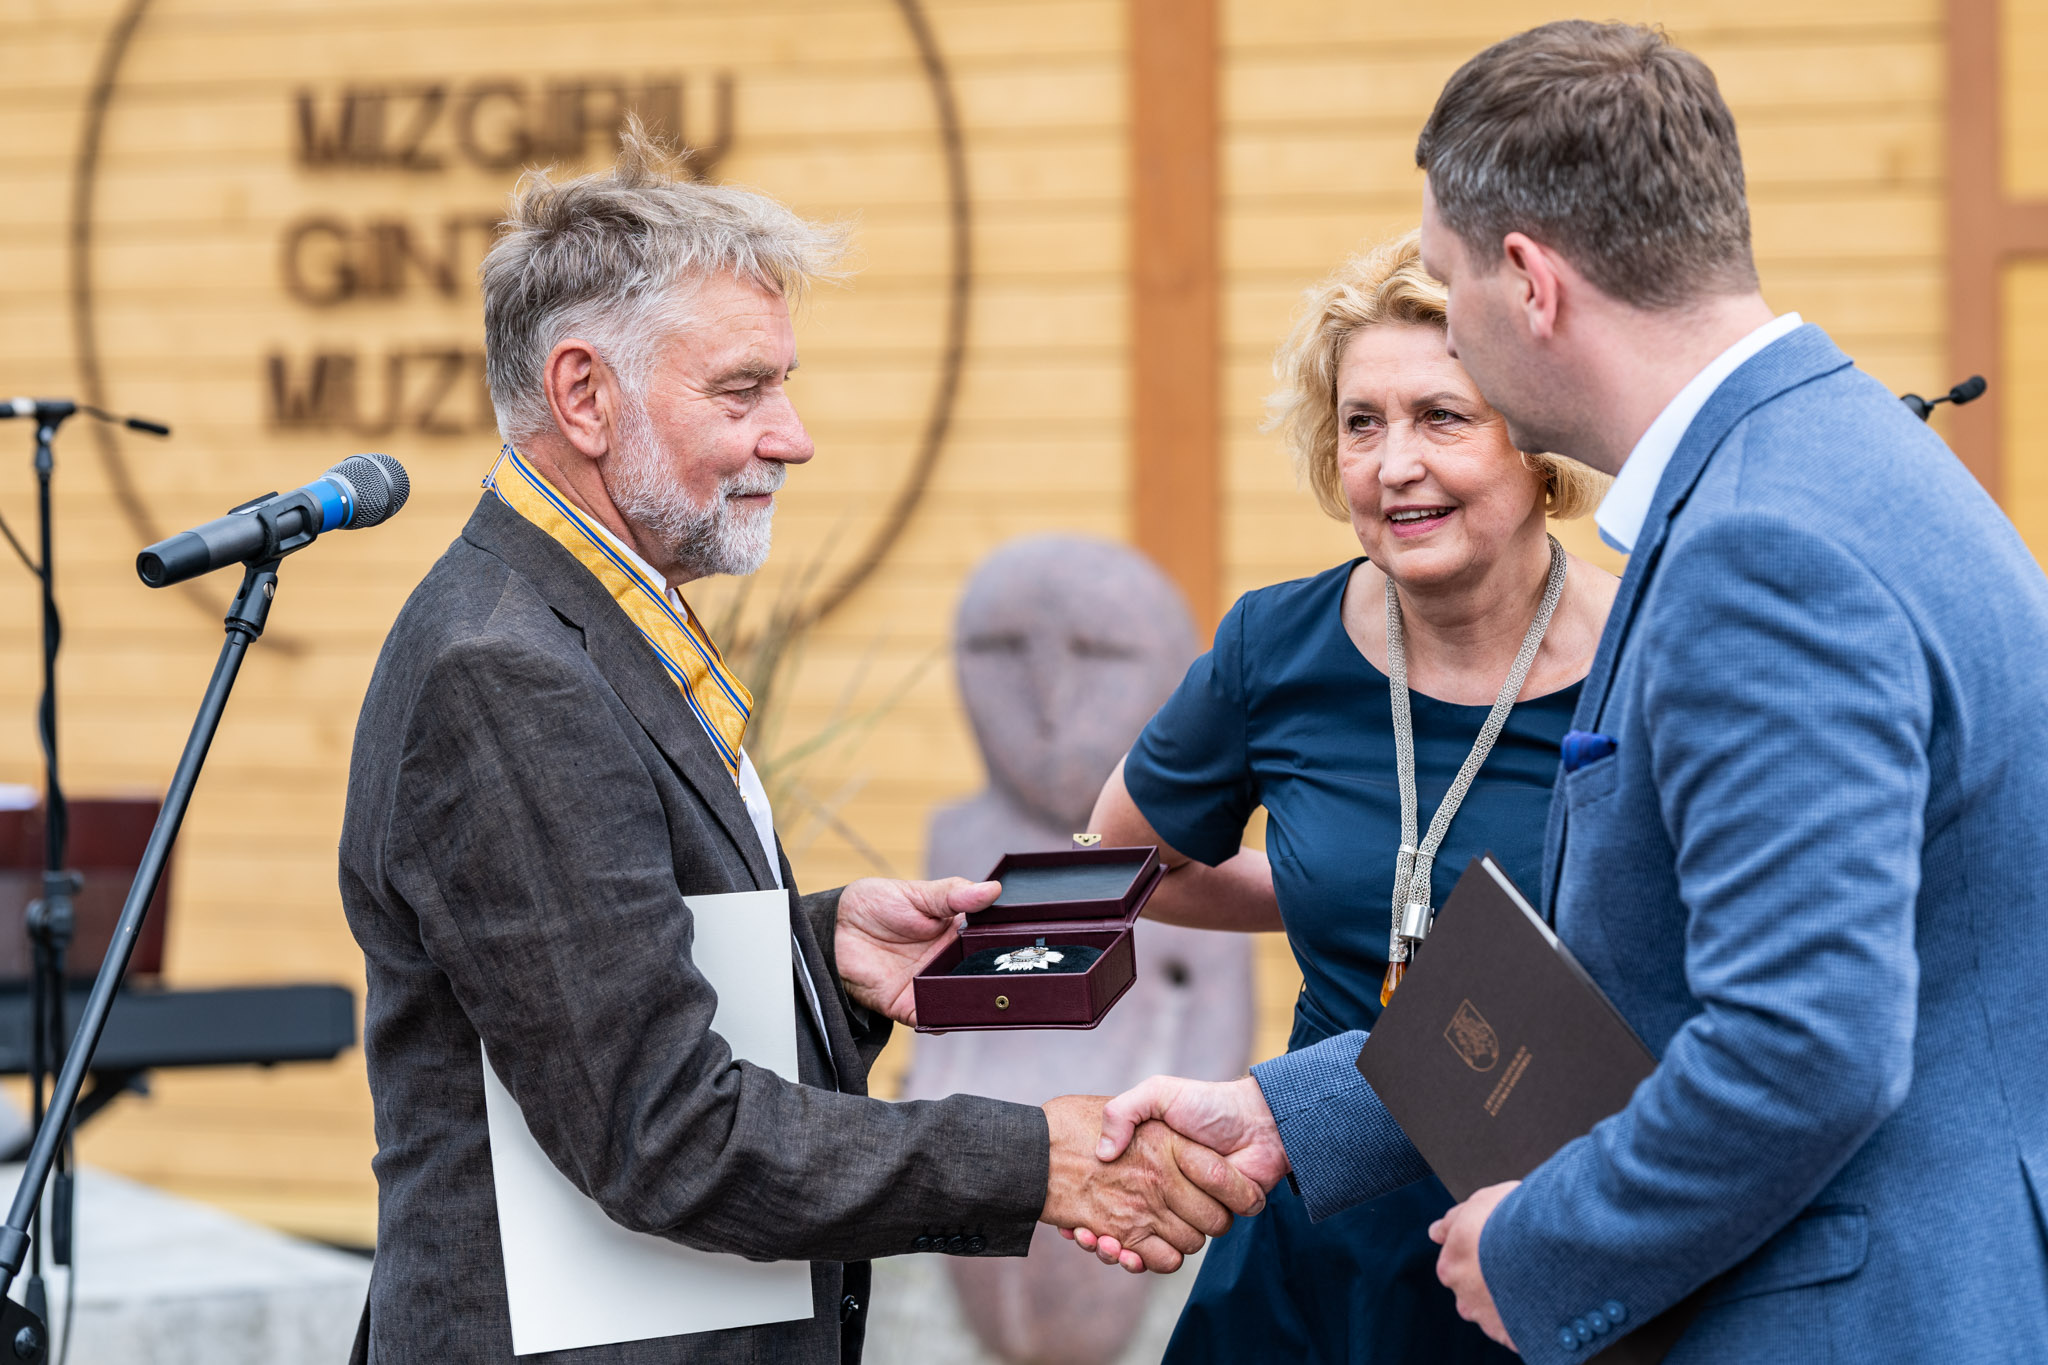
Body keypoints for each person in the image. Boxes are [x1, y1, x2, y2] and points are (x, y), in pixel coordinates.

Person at [1085, 20, 2048, 1365]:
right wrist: (1289, 1113)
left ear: (1529, 283)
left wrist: (1543, 1244)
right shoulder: (1834, 456)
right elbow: (1640, 967)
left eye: (1449, 286)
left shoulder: (1758, 548)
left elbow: (1802, 1049)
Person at [336, 127, 1262, 1365]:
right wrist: (1036, 1159)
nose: (793, 435)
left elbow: (584, 967)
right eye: (742, 391)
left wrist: (819, 952)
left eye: (783, 384)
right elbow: (660, 1130)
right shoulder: (506, 669)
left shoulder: (588, 610)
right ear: (583, 396)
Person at [1079, 232, 1614, 1364]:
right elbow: (1122, 861)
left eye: (1441, 417)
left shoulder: (1650, 655)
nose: (1393, 463)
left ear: (1536, 440)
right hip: (1313, 1220)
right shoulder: (1276, 645)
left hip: (1553, 1230)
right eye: (1360, 423)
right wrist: (1329, 886)